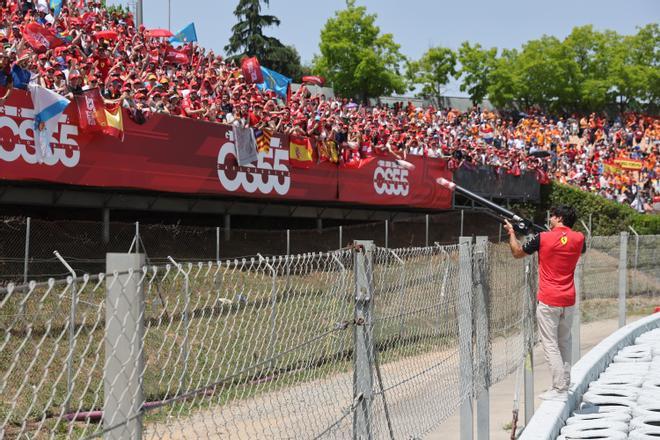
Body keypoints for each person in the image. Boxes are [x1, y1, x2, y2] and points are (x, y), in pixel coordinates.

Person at [503, 205, 586, 401]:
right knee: (564, 341)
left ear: (558, 218)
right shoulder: (580, 238)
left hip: (549, 298)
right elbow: (572, 246)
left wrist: (512, 233)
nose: (550, 220)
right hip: (568, 298)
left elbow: (517, 252)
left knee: (550, 343)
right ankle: (565, 381)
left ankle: (559, 388)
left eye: (552, 217)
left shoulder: (543, 238)